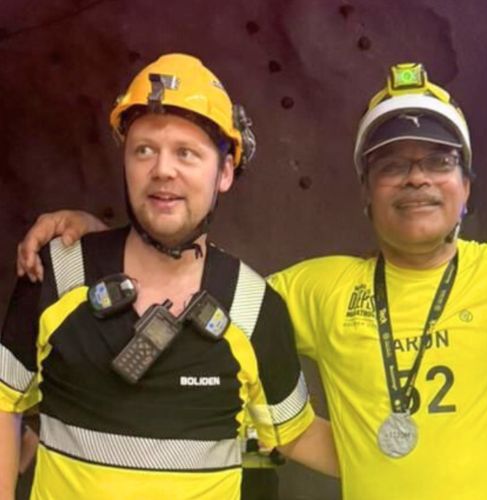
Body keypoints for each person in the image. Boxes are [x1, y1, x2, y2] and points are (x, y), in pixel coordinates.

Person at [11, 61, 487, 500]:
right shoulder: (308, 291)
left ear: (467, 186)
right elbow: (184, 280)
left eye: (437, 161)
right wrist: (94, 236)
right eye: (391, 164)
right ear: (364, 191)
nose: (416, 178)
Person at [0, 53, 337, 500]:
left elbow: (295, 434)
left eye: (186, 153)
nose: (162, 169)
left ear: (224, 173)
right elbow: (4, 402)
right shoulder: (59, 274)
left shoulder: (253, 307)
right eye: (144, 150)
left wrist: (414, 459)